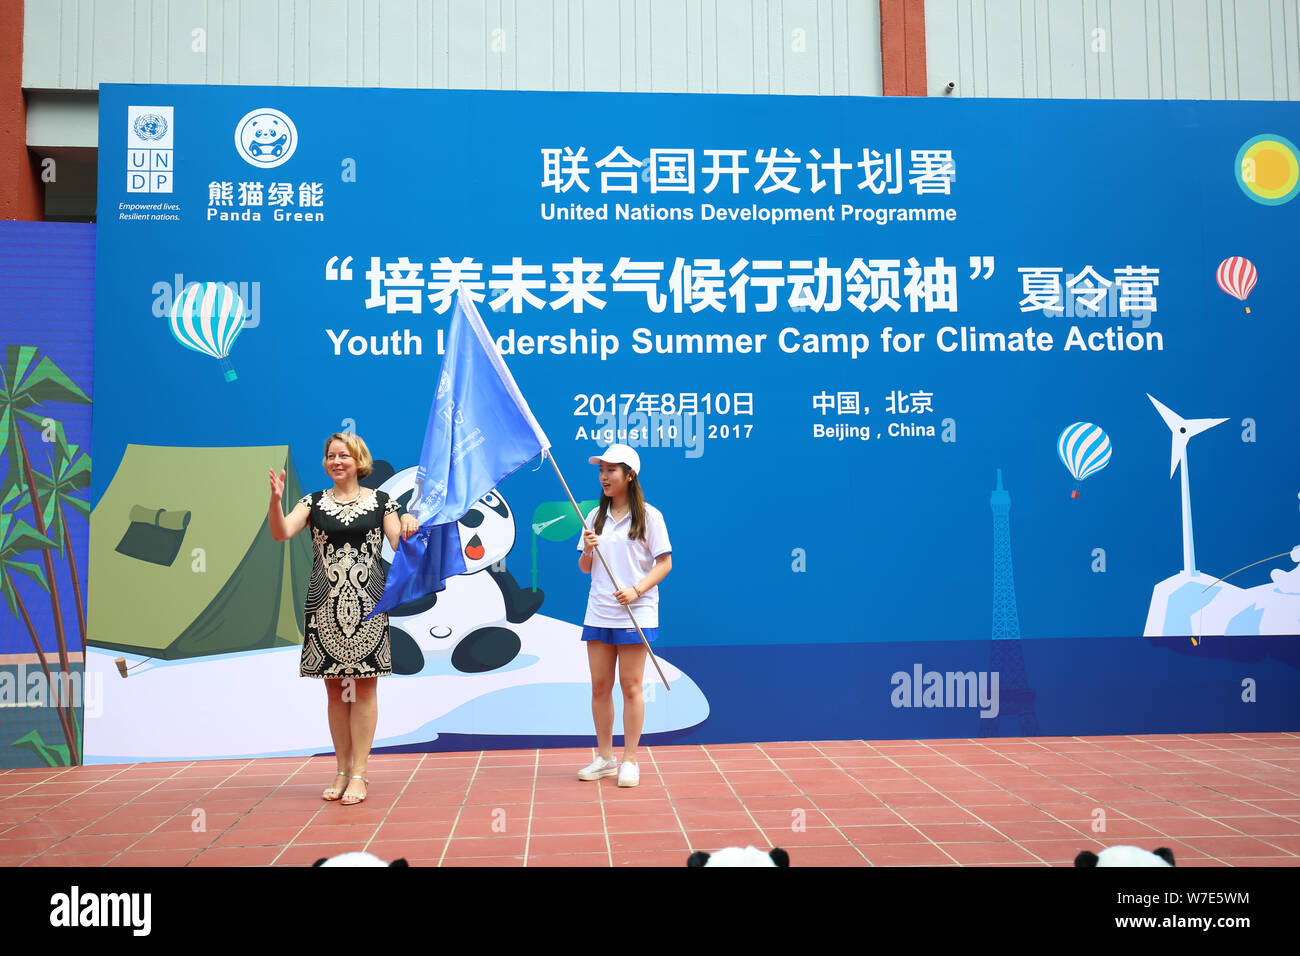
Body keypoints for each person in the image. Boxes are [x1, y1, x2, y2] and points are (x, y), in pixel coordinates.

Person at [268, 432, 417, 805]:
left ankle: (360, 774)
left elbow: (400, 545)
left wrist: (411, 521)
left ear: (359, 461)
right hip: (323, 603)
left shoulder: (383, 502)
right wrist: (274, 501)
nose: (336, 461)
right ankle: (341, 768)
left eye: (344, 456)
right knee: (335, 689)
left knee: (364, 688)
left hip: (368, 604)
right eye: (331, 456)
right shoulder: (312, 502)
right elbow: (281, 532)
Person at [576, 444, 672, 788]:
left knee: (631, 687)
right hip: (599, 611)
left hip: (636, 612)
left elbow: (665, 563)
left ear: (629, 476)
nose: (603, 476)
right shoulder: (593, 517)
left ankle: (630, 759)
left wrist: (637, 589)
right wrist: (587, 548)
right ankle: (605, 757)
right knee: (600, 687)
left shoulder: (650, 516)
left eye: (611, 470)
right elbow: (585, 568)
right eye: (601, 470)